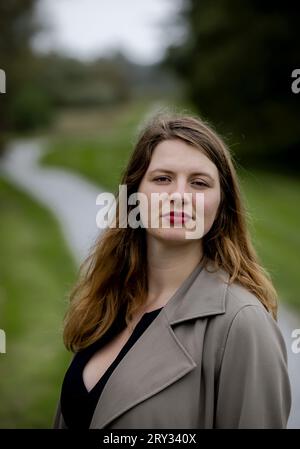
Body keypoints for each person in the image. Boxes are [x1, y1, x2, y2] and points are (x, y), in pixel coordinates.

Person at [53, 111, 291, 429]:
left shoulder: (241, 323)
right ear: (134, 194)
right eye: (163, 179)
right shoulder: (109, 299)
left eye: (199, 183)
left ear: (222, 206)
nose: (179, 196)